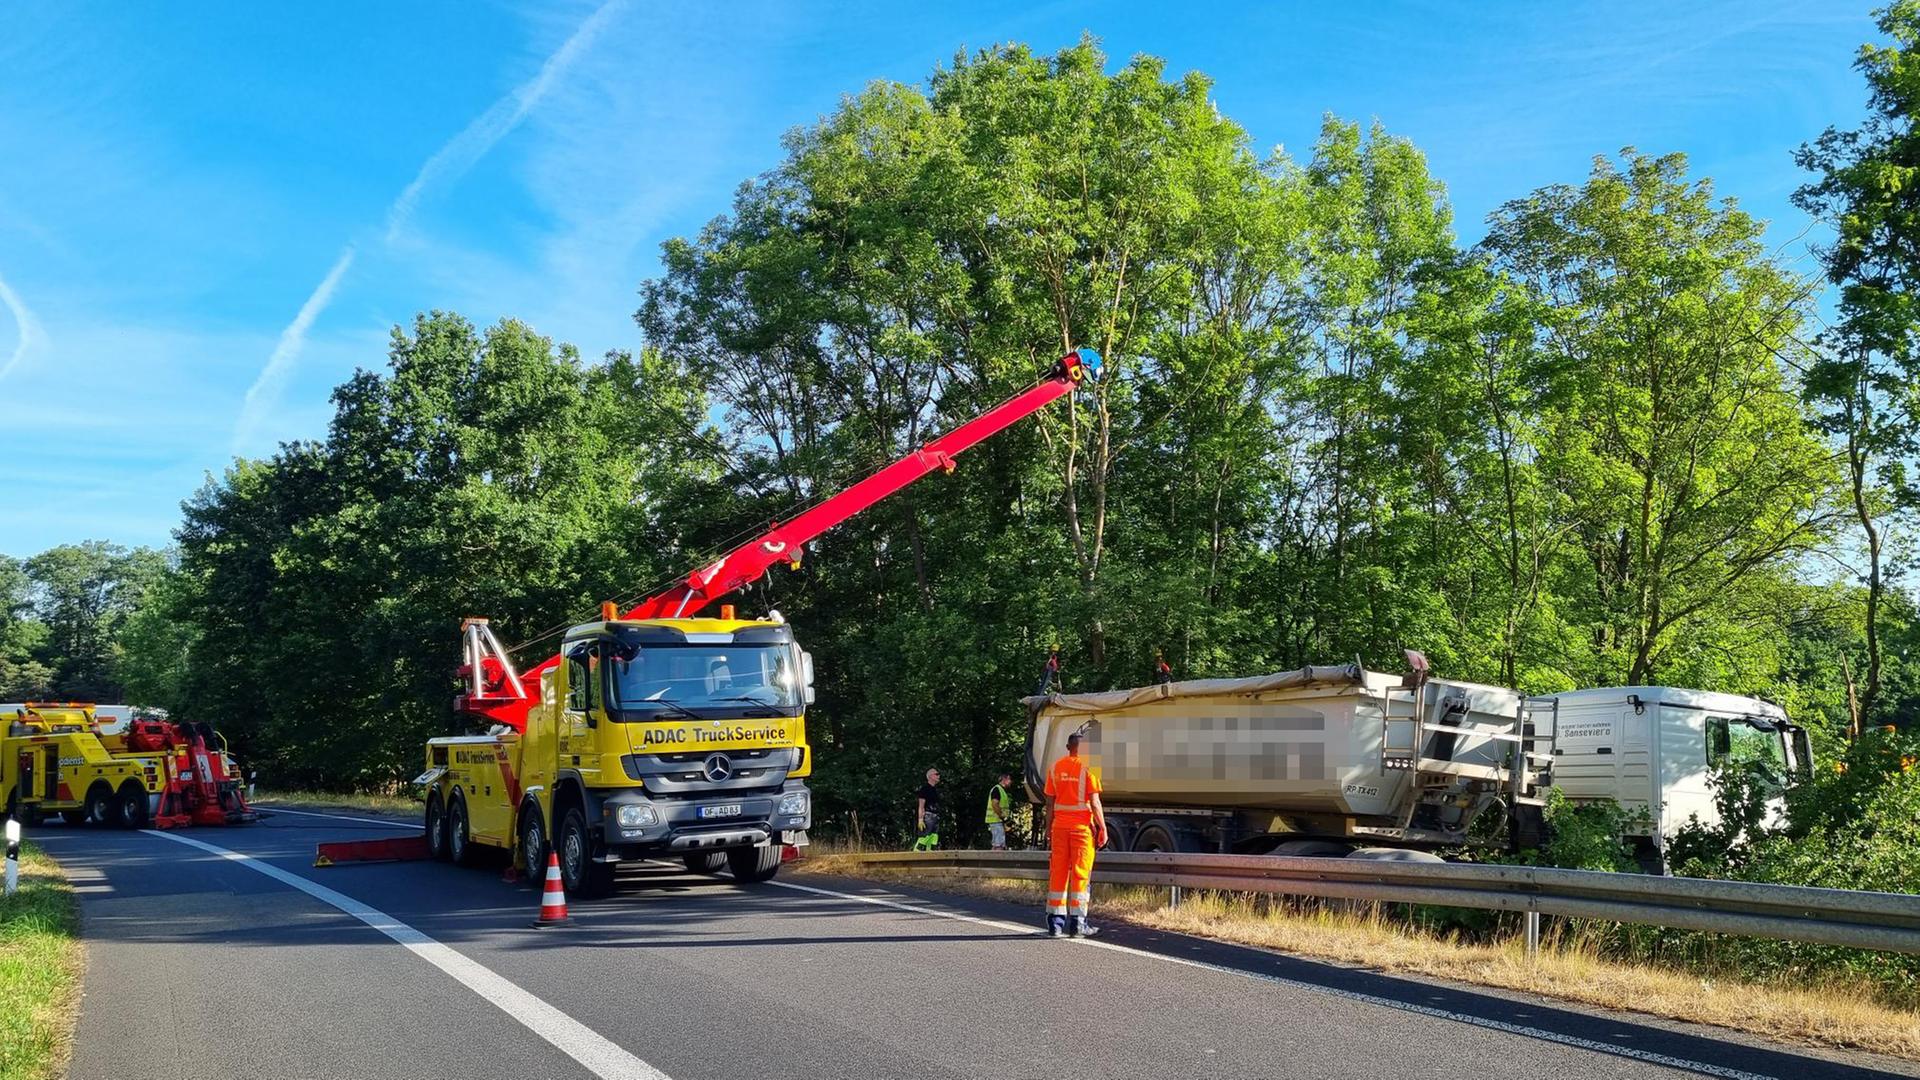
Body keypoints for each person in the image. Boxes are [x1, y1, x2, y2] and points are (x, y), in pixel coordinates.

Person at [1042, 730, 1107, 938]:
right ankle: (1078, 924)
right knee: (1080, 874)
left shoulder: (1055, 768)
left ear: (1068, 747)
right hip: (1081, 831)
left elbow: (1049, 805)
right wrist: (1103, 828)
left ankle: (1055, 924)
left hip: (1059, 829)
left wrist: (1048, 828)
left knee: (1058, 873)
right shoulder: (1090, 768)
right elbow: (1095, 803)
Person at [912, 768, 942, 851]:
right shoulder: (924, 789)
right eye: (937, 774)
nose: (938, 776)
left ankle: (930, 852)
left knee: (934, 836)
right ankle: (917, 851)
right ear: (930, 776)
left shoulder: (935, 790)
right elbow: (921, 806)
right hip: (928, 816)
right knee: (925, 835)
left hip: (936, 816)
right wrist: (920, 819)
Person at [986, 771, 1015, 850]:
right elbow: (995, 804)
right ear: (1004, 779)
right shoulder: (997, 789)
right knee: (999, 845)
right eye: (1009, 779)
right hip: (996, 820)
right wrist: (1002, 816)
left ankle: (992, 861)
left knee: (997, 844)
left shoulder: (1000, 790)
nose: (1011, 782)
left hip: (997, 821)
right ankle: (996, 861)